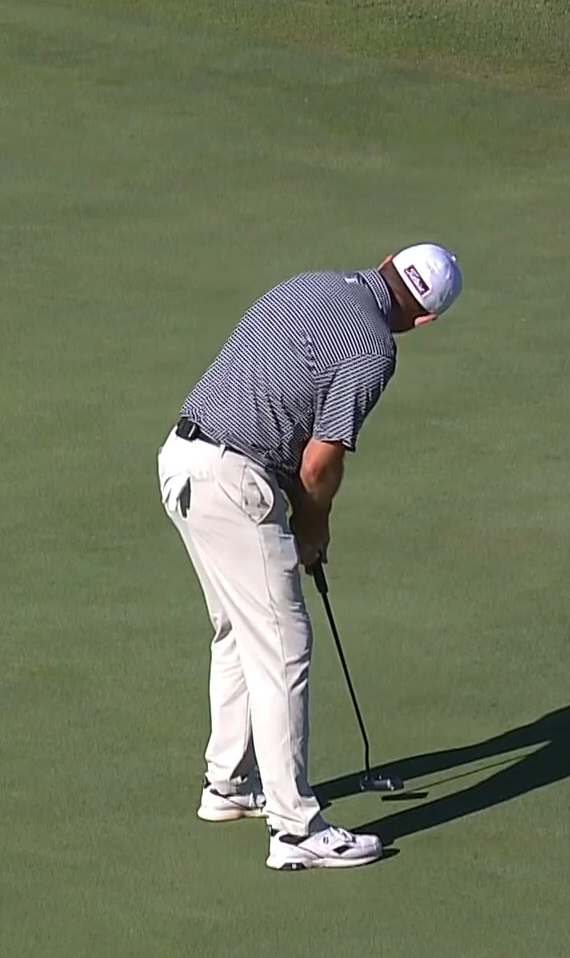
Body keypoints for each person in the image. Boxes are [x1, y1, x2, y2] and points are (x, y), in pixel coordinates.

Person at [156, 243, 462, 871]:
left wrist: (299, 516)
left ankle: (229, 785)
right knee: (283, 646)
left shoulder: (308, 284)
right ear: (427, 317)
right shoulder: (374, 346)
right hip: (234, 480)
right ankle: (295, 830)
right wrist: (312, 526)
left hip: (182, 460)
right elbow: (319, 463)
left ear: (387, 260)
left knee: (238, 632)